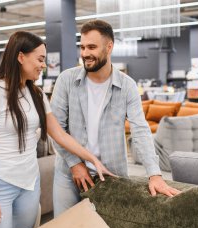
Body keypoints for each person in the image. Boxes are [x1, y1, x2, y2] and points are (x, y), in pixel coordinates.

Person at [0, 31, 114, 228]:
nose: (44, 65)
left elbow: (60, 134)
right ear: (21, 57)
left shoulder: (36, 94)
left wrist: (92, 159)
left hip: (30, 183)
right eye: (39, 59)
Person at [51, 20, 181, 217]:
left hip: (110, 175)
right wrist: (75, 164)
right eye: (83, 47)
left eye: (92, 47)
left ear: (109, 46)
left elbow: (140, 130)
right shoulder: (66, 80)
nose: (85, 53)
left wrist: (154, 174)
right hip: (69, 174)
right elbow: (55, 129)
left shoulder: (127, 86)